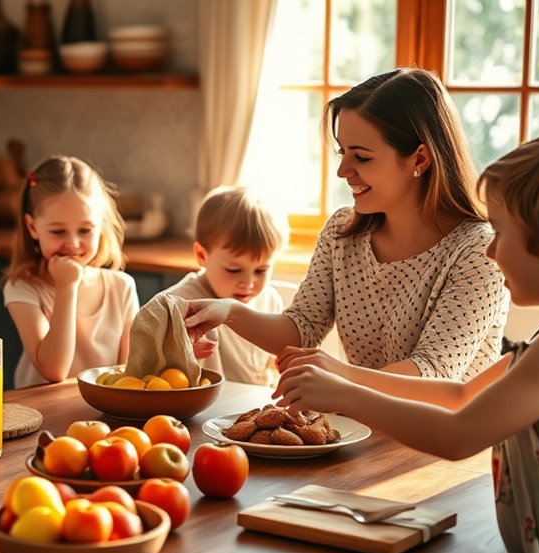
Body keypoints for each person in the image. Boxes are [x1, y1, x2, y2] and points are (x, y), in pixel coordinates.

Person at [274, 129, 539, 553]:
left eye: (501, 233)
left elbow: (457, 434)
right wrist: (341, 376)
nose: (490, 251)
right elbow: (461, 396)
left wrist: (344, 395)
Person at [184, 68, 508, 382]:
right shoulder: (342, 232)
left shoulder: (480, 250)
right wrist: (228, 311)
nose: (342, 171)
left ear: (420, 159)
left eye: (362, 157)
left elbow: (434, 372)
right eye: (343, 152)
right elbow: (302, 328)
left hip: (442, 424)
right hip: (358, 417)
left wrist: (337, 375)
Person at [4, 155, 139, 388]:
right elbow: (54, 370)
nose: (73, 243)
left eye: (85, 230)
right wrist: (67, 286)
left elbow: (129, 375)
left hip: (101, 408)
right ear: (32, 227)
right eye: (58, 232)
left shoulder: (122, 287)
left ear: (100, 226)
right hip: (37, 409)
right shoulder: (22, 289)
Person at [163, 186, 286, 385]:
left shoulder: (270, 300)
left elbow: (270, 365)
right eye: (233, 270)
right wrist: (178, 356)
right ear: (202, 255)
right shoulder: (178, 303)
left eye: (261, 270)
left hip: (256, 401)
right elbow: (150, 366)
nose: (248, 283)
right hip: (208, 404)